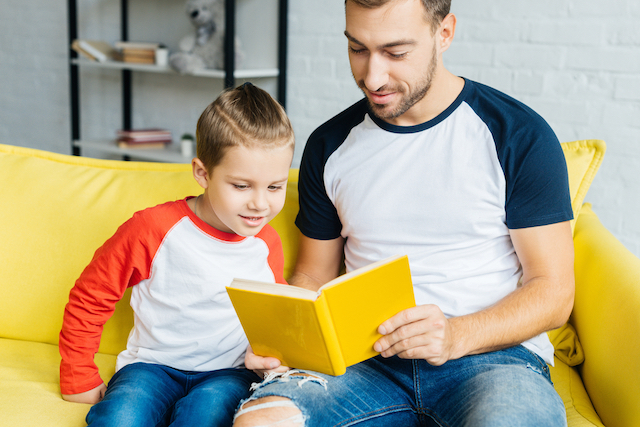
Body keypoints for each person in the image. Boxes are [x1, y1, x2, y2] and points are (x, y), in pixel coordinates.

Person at [234, 0, 575, 426]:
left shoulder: (518, 135)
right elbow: (314, 275)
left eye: (396, 53)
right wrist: (288, 341)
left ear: (444, 33)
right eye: (358, 48)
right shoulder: (330, 145)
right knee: (261, 421)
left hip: (494, 360)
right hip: (364, 361)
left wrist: (455, 335)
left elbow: (554, 293)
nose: (372, 77)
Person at [58, 82, 295, 427]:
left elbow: (276, 316)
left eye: (275, 186)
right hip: (150, 369)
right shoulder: (151, 229)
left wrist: (274, 357)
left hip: (227, 375)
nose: (260, 203)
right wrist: (78, 376)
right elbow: (90, 297)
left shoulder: (266, 243)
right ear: (203, 173)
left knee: (204, 419)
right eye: (241, 186)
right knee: (118, 420)